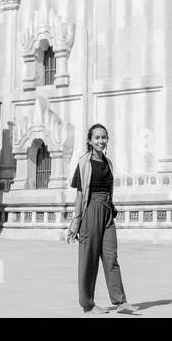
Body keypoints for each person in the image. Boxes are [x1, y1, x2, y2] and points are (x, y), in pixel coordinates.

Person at [66, 124, 137, 314]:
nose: (101, 141)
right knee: (88, 260)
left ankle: (120, 302)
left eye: (104, 137)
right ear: (89, 140)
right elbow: (80, 195)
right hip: (90, 211)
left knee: (111, 257)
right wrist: (75, 221)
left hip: (107, 212)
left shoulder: (108, 163)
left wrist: (111, 207)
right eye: (96, 137)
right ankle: (88, 304)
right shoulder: (84, 163)